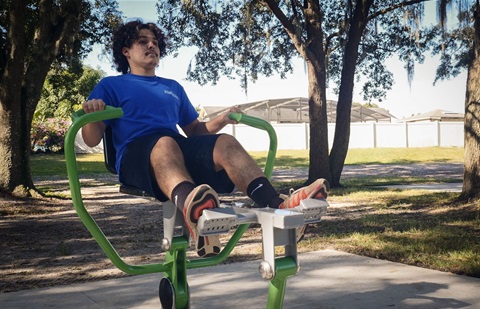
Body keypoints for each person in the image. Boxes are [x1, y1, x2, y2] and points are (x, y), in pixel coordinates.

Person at [81, 19, 329, 258]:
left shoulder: (172, 87)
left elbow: (194, 131)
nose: (151, 46)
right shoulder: (111, 85)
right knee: (165, 143)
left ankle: (277, 204)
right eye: (142, 41)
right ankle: (197, 213)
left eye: (155, 42)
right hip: (137, 158)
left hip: (173, 151)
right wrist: (93, 115)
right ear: (126, 50)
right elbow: (91, 140)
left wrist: (221, 120)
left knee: (225, 142)